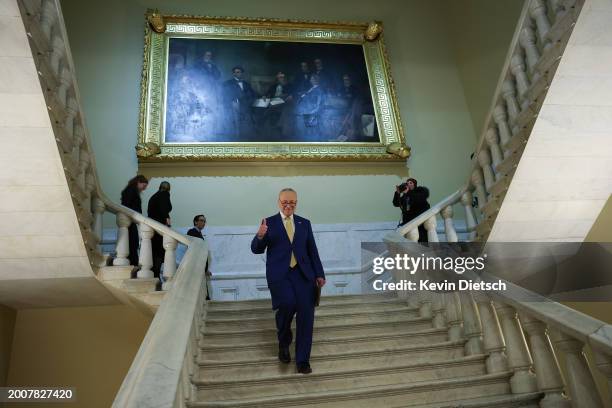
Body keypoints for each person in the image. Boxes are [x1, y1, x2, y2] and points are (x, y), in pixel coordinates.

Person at [251, 188, 326, 374]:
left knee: (306, 317)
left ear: (296, 203)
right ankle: (284, 343)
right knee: (286, 305)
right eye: (285, 202)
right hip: (280, 276)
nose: (288, 205)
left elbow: (312, 251)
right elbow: (256, 249)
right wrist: (260, 236)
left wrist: (319, 274)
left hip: (304, 275)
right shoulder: (269, 223)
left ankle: (303, 361)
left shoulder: (304, 223)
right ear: (279, 202)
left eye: (292, 202)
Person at [120, 175, 149, 268]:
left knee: (133, 242)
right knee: (133, 242)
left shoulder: (130, 190)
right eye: (144, 186)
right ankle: (133, 262)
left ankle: (133, 262)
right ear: (139, 182)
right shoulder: (131, 191)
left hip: (131, 220)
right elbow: (128, 206)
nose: (144, 189)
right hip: (130, 220)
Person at [147, 181, 172, 281]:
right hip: (159, 229)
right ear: (168, 189)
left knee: (153, 253)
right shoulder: (164, 195)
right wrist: (168, 222)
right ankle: (156, 277)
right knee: (158, 253)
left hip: (152, 228)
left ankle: (154, 275)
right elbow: (164, 210)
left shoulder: (154, 196)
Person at [222, 66, 256, 138]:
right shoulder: (228, 83)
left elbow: (253, 93)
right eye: (235, 72)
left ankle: (246, 136)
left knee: (248, 120)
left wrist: (262, 97)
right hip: (234, 105)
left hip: (246, 105)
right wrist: (232, 101)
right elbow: (225, 95)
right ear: (233, 73)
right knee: (236, 121)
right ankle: (236, 137)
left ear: (242, 73)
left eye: (238, 72)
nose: (236, 74)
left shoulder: (247, 84)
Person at [187, 214, 212, 300]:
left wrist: (206, 269)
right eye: (201, 220)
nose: (203, 223)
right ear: (195, 222)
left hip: (200, 267)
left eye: (204, 221)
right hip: (196, 267)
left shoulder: (198, 233)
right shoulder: (192, 232)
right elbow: (194, 250)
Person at [295, 74, 324, 141]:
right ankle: (307, 135)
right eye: (311, 79)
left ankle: (312, 137)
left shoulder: (319, 90)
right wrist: (302, 95)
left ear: (316, 80)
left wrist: (313, 110)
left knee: (308, 121)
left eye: (312, 79)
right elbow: (307, 94)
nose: (311, 80)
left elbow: (318, 103)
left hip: (312, 109)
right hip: (306, 107)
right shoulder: (312, 88)